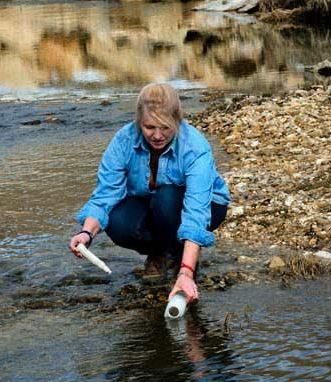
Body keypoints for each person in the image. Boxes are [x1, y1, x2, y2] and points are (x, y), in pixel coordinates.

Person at [69, 82, 230, 304]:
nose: (156, 135)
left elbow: (196, 212)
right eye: (149, 127)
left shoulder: (195, 147)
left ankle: (181, 256)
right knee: (116, 220)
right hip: (150, 201)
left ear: (177, 120)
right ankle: (160, 253)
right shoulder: (124, 140)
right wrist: (86, 233)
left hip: (206, 205)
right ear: (139, 122)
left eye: (165, 127)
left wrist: (186, 272)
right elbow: (106, 195)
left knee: (167, 198)